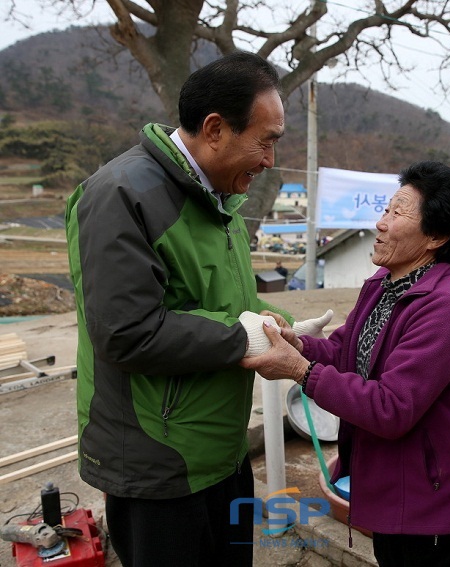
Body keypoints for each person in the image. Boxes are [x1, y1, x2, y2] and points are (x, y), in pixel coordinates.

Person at [65, 51, 298, 567]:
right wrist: (247, 338)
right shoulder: (120, 196)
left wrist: (264, 316)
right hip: (160, 468)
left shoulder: (220, 199)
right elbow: (127, 332)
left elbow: (219, 303)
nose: (270, 160)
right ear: (215, 129)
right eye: (266, 141)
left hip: (223, 452)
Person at [242, 161, 450, 567]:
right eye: (385, 209)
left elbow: (391, 407)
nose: (380, 223)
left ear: (435, 236)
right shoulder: (386, 283)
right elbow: (346, 354)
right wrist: (298, 344)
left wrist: (298, 370)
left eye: (397, 214)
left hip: (437, 496)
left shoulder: (447, 305)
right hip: (398, 480)